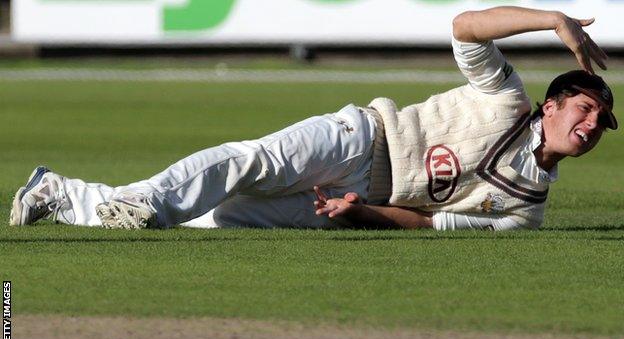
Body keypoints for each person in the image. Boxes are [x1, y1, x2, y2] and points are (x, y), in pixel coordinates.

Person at [10, 6, 617, 231]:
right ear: (553, 104)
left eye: (603, 122)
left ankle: (59, 194)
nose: (591, 125)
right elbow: (464, 29)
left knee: (214, 220)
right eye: (587, 107)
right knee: (251, 160)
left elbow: (432, 229)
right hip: (360, 138)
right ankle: (141, 202)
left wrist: (364, 214)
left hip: (352, 199)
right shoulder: (508, 98)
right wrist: (553, 20)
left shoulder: (526, 211)